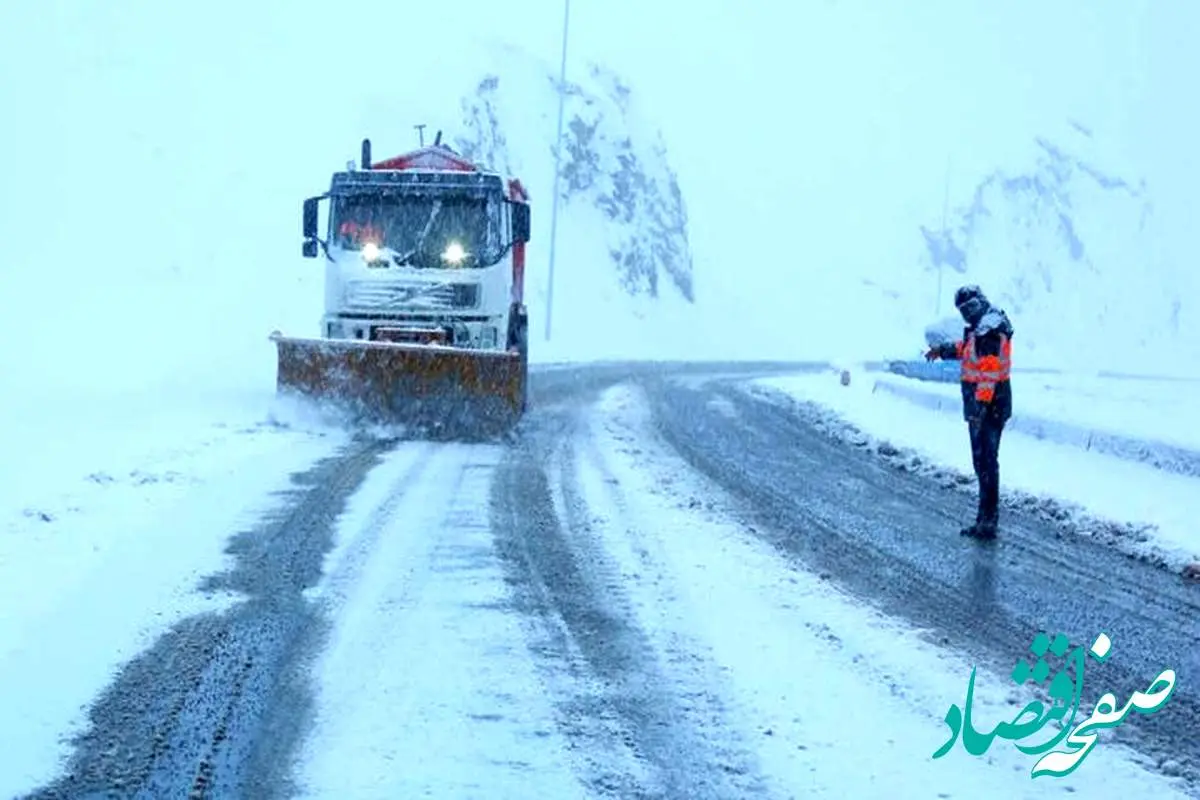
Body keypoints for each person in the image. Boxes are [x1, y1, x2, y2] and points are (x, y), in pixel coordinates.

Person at [925, 285, 1014, 539]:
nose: (967, 314)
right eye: (963, 310)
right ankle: (985, 518)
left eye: (970, 308)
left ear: (980, 303)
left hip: (989, 408)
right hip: (987, 406)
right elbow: (967, 349)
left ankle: (988, 521)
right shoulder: (984, 326)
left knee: (985, 462)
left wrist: (980, 409)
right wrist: (942, 350)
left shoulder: (989, 328)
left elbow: (988, 373)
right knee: (983, 463)